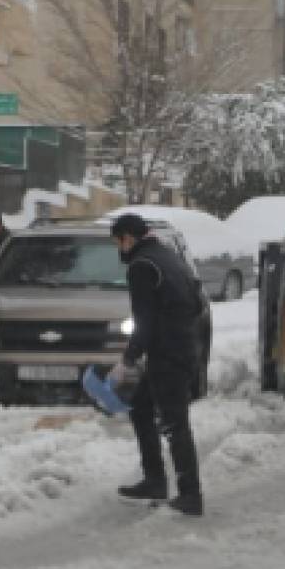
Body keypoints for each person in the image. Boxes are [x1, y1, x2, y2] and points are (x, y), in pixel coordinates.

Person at [108, 213, 207, 517]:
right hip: (182, 348)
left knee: (175, 423)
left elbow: (144, 320)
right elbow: (199, 302)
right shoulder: (168, 255)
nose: (119, 249)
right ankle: (155, 480)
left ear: (129, 238)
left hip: (168, 355)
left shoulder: (142, 266)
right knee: (141, 407)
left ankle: (190, 495)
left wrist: (128, 358)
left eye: (118, 242)